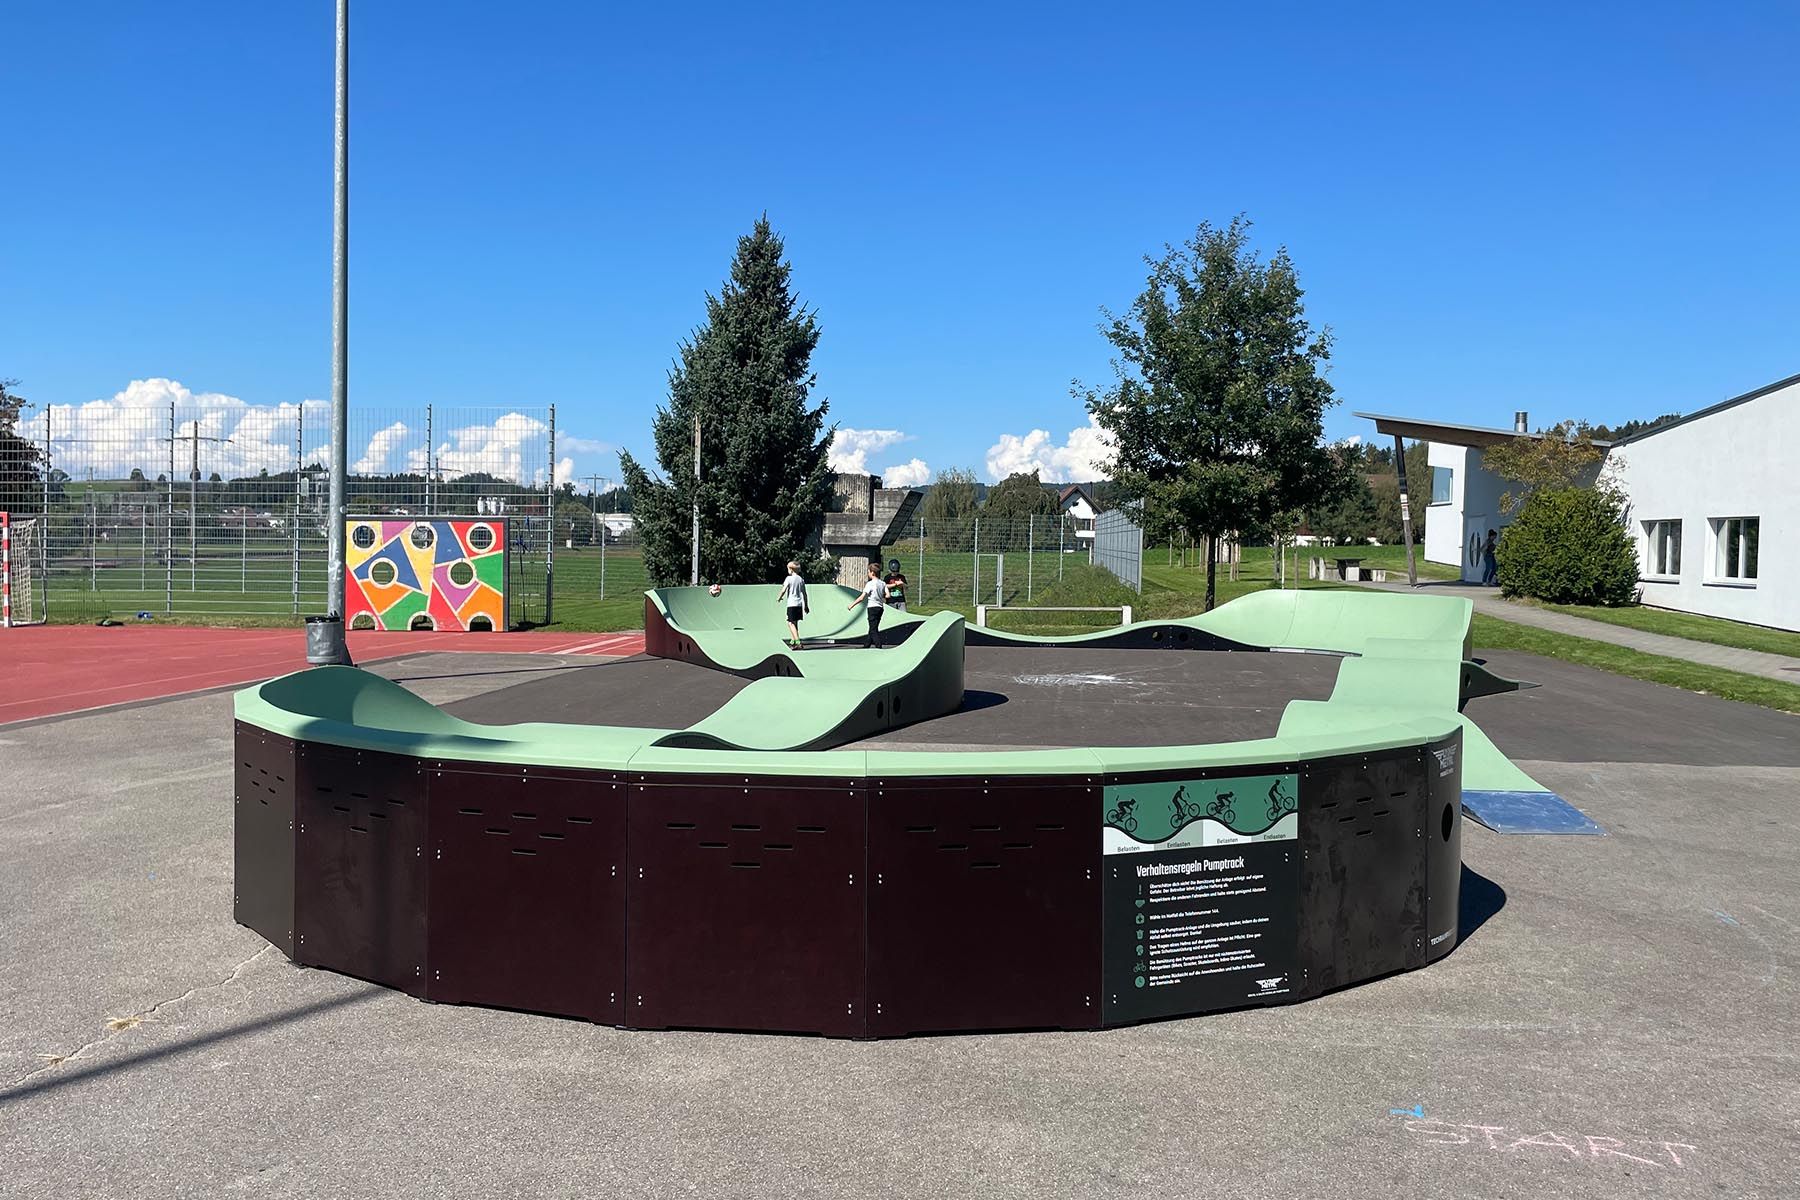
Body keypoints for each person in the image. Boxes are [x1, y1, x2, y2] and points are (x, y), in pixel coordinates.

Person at [847, 562, 889, 648]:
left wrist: (852, 605)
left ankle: (879, 646)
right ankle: (866, 645)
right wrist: (881, 596)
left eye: (868, 572)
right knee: (873, 627)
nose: (868, 574)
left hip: (872, 608)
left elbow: (862, 597)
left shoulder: (870, 584)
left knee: (873, 630)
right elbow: (888, 595)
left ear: (872, 573)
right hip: (880, 608)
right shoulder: (883, 583)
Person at [778, 561, 809, 649]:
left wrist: (779, 597)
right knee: (795, 623)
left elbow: (783, 590)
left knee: (790, 623)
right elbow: (804, 594)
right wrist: (806, 606)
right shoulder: (801, 579)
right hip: (799, 604)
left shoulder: (789, 578)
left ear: (791, 569)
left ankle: (798, 642)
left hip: (792, 604)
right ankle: (793, 641)